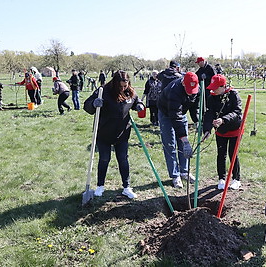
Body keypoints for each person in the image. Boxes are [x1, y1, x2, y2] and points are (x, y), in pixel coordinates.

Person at [83, 70, 144, 199]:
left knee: (123, 159)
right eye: (120, 86)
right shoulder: (103, 91)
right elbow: (87, 106)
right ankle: (100, 186)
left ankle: (127, 187)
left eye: (125, 85)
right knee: (104, 159)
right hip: (104, 133)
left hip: (122, 133)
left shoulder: (130, 92)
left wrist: (139, 105)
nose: (123, 88)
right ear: (115, 83)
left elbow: (137, 101)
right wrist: (93, 104)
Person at [157, 72, 199, 188]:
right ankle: (175, 176)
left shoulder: (196, 88)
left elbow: (195, 106)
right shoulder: (174, 91)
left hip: (182, 113)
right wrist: (185, 140)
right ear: (183, 83)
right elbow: (175, 117)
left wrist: (197, 121)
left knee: (182, 144)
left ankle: (184, 172)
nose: (191, 93)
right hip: (166, 113)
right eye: (188, 89)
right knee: (170, 144)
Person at [202, 74, 242, 190]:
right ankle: (221, 178)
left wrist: (223, 120)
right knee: (221, 154)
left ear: (223, 86)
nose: (213, 89)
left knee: (232, 154)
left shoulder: (233, 95)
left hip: (234, 128)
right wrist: (207, 129)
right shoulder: (211, 97)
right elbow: (209, 113)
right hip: (220, 130)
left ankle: (236, 179)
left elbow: (237, 111)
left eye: (215, 87)